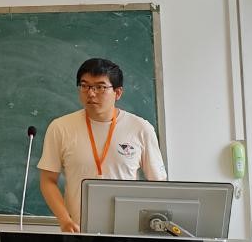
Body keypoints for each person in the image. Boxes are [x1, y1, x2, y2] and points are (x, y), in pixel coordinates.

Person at [38, 57, 167, 232]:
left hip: (127, 231)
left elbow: (158, 184)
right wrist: (65, 220)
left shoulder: (140, 128)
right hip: (78, 230)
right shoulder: (60, 127)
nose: (91, 93)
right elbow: (48, 181)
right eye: (85, 86)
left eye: (100, 87)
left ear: (118, 92)